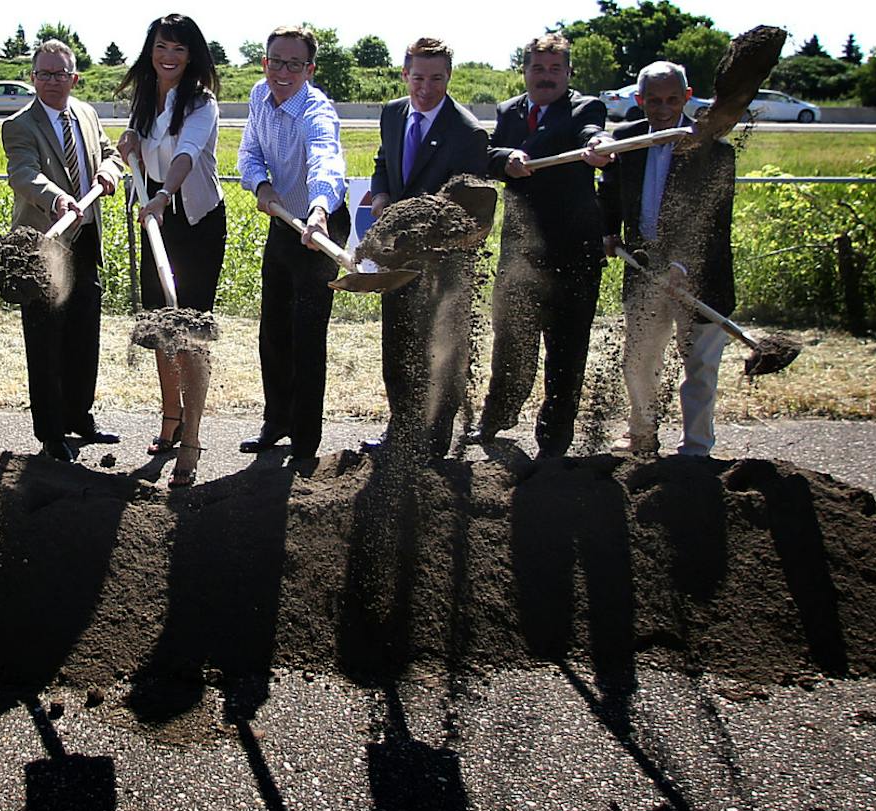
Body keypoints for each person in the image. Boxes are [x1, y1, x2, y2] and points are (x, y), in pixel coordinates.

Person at [474, 33, 613, 457]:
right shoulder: (509, 111)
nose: (546, 77)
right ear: (525, 70)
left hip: (574, 254)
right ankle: (496, 419)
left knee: (566, 350)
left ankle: (554, 441)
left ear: (568, 73)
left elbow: (593, 133)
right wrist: (506, 160)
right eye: (538, 68)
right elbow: (490, 155)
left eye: (555, 69)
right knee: (512, 341)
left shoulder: (584, 109)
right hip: (521, 253)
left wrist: (598, 147)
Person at [596, 60, 736, 457]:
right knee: (640, 360)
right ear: (639, 100)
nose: (662, 108)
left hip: (700, 275)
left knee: (700, 368)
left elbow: (714, 220)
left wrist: (682, 267)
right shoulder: (626, 142)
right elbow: (609, 191)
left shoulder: (714, 151)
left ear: (687, 98)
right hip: (643, 267)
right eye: (653, 100)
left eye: (672, 99)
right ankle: (641, 434)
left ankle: (695, 447)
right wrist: (608, 230)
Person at [365, 36, 488, 460]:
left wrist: (419, 227)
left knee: (439, 350)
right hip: (398, 258)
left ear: (449, 78)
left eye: (437, 78)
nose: (426, 87)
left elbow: (465, 208)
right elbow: (384, 162)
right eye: (418, 77)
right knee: (396, 345)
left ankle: (435, 441)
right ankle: (400, 431)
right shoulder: (393, 113)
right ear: (405, 74)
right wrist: (381, 196)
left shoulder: (468, 133)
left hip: (444, 263)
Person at [2, 39, 124, 461]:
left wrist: (109, 170)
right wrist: (57, 199)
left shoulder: (87, 114)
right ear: (32, 78)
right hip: (45, 242)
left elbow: (110, 153)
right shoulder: (19, 125)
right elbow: (24, 174)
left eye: (60, 74)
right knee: (45, 338)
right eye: (43, 74)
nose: (52, 81)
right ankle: (52, 433)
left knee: (83, 333)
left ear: (74, 78)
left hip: (86, 239)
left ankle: (80, 417)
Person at [116, 14, 223, 487]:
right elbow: (147, 146)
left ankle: (194, 438)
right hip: (155, 215)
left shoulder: (202, 103)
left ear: (191, 55)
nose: (169, 57)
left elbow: (187, 154)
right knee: (161, 327)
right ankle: (171, 419)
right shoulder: (145, 97)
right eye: (162, 47)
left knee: (190, 330)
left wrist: (163, 195)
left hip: (194, 221)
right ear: (151, 50)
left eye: (179, 49)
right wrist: (132, 142)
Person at [238, 25, 348, 475]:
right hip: (283, 222)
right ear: (265, 63)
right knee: (274, 330)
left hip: (319, 226)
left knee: (307, 335)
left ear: (310, 69)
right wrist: (260, 184)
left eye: (294, 64)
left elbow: (328, 159)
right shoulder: (258, 97)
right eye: (275, 62)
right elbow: (249, 153)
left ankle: (305, 440)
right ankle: (275, 421)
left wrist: (319, 209)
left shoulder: (317, 111)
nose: (282, 72)